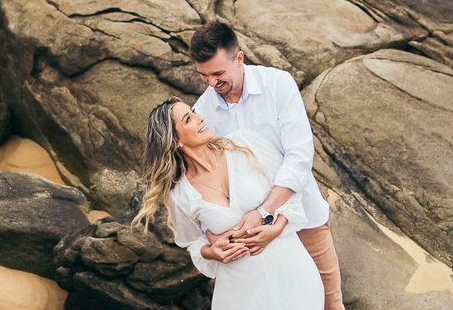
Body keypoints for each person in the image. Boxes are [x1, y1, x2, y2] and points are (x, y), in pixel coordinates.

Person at [189, 21, 343, 310]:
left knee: (330, 304)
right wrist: (214, 236)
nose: (212, 83)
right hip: (248, 239)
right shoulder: (201, 113)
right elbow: (198, 177)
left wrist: (265, 213)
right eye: (204, 76)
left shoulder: (278, 84)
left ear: (239, 58)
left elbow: (298, 156)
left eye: (218, 73)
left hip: (303, 219)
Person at [136, 98, 324, 310]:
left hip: (293, 276)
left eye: (194, 112)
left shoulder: (245, 144)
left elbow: (290, 189)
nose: (200, 118)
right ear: (173, 141)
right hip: (241, 294)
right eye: (189, 119)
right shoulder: (180, 195)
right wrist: (212, 252)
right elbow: (192, 243)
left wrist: (278, 227)